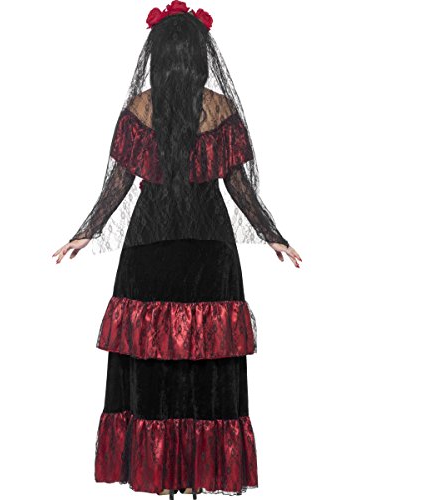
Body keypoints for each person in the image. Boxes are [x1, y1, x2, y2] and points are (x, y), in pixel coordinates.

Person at [53, 1, 302, 497]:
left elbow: (119, 184)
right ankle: (195, 479)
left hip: (149, 250)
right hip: (210, 251)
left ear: (158, 56)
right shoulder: (218, 109)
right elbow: (238, 186)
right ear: (200, 56)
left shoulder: (141, 108)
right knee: (207, 361)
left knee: (153, 358)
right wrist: (271, 232)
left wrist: (89, 229)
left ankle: (164, 476)